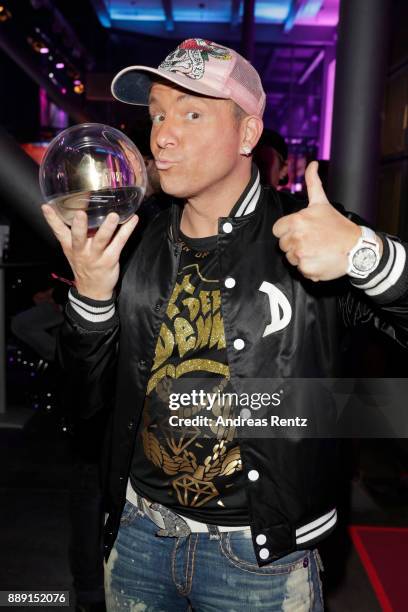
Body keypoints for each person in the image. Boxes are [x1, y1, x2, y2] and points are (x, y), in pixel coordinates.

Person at [42, 38, 408, 611]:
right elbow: (82, 414)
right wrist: (90, 300)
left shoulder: (311, 239)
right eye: (158, 113)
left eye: (191, 113)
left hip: (261, 562)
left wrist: (369, 256)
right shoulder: (130, 243)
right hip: (139, 537)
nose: (162, 134)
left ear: (246, 135)